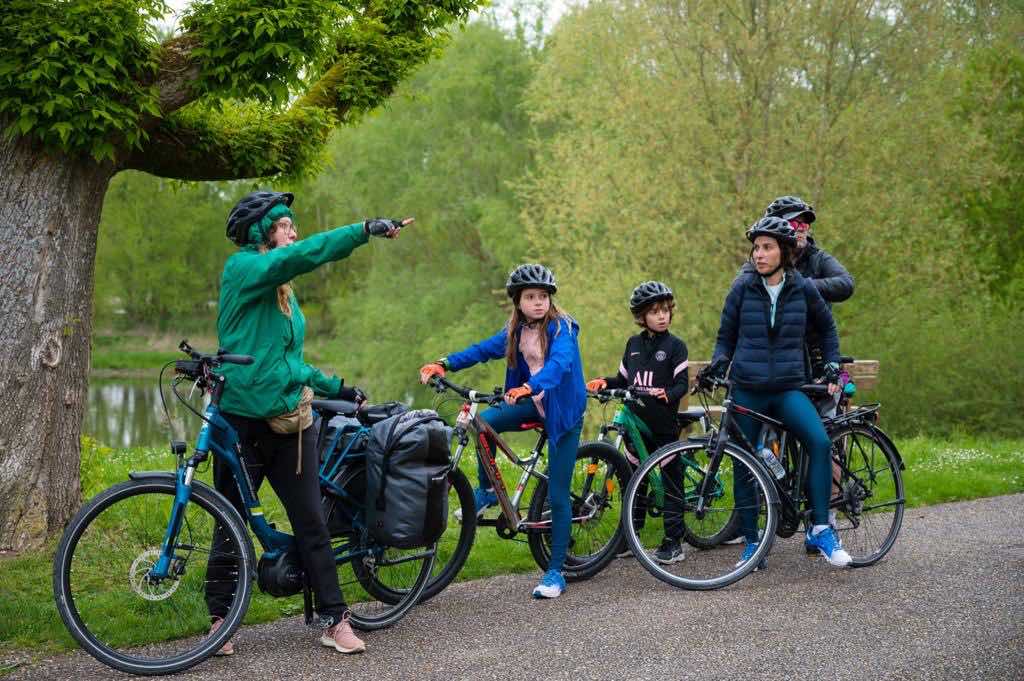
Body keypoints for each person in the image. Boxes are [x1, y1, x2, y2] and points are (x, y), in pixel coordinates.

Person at [206, 190, 410, 655]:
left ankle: (335, 620)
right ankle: (220, 621)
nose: (292, 232)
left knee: (312, 522)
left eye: (293, 225)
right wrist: (362, 230)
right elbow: (304, 255)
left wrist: (333, 385)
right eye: (284, 225)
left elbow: (286, 361)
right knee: (228, 521)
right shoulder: (244, 269)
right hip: (239, 421)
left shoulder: (283, 295)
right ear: (261, 232)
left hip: (290, 424)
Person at [419, 264, 586, 599]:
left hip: (562, 409)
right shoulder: (514, 331)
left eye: (543, 296)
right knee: (486, 423)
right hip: (529, 399)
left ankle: (555, 572)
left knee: (557, 491)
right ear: (518, 302)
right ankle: (488, 491)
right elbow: (481, 350)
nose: (538, 302)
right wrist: (444, 363)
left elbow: (560, 364)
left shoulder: (561, 328)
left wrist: (529, 385)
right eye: (530, 297)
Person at [705, 216, 852, 569]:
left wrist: (833, 364)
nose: (759, 254)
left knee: (818, 442)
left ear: (784, 252)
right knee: (743, 461)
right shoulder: (742, 288)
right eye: (756, 247)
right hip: (748, 389)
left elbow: (828, 330)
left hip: (787, 388)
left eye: (767, 247)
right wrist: (718, 363)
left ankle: (820, 528)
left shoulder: (803, 288)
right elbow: (725, 336)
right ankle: (753, 543)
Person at [585, 281, 689, 564]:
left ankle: (673, 542)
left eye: (666, 310)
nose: (662, 316)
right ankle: (632, 536)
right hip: (635, 424)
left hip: (662, 426)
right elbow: (622, 380)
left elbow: (682, 384)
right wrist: (604, 382)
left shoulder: (676, 346)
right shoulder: (633, 344)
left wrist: (667, 393)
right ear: (642, 316)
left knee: (670, 483)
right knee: (633, 480)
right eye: (655, 311)